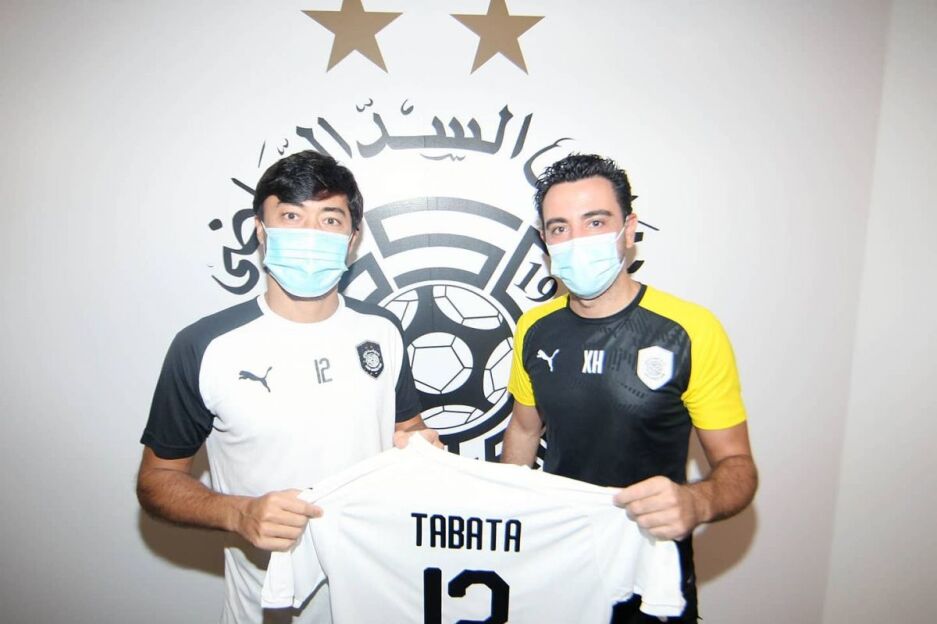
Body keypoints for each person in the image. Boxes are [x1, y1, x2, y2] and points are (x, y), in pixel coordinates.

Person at [136, 150, 432, 623]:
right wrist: (239, 514)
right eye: (292, 217)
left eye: (330, 219)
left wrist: (420, 448)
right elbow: (156, 481)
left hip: (378, 599)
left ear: (352, 237)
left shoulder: (383, 330)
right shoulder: (204, 346)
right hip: (267, 610)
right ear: (261, 230)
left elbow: (408, 429)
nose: (310, 235)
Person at [501, 153, 757, 623]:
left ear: (628, 229)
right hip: (557, 559)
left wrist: (696, 501)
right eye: (560, 228)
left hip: (650, 564)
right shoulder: (533, 327)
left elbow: (738, 468)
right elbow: (523, 430)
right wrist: (508, 518)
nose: (577, 240)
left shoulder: (691, 329)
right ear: (545, 241)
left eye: (595, 222)